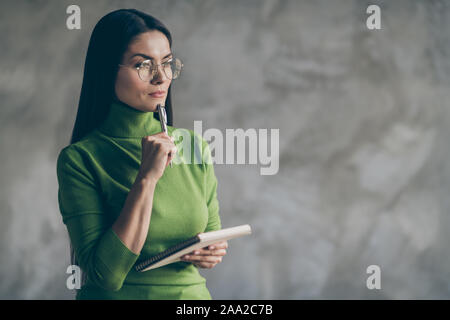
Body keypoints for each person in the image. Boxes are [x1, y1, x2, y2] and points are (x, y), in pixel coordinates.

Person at [56, 8, 227, 300]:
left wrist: (212, 251)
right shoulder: (80, 158)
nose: (161, 77)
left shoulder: (194, 145)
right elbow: (105, 276)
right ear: (107, 70)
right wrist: (147, 177)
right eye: (143, 65)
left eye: (167, 63)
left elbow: (211, 234)